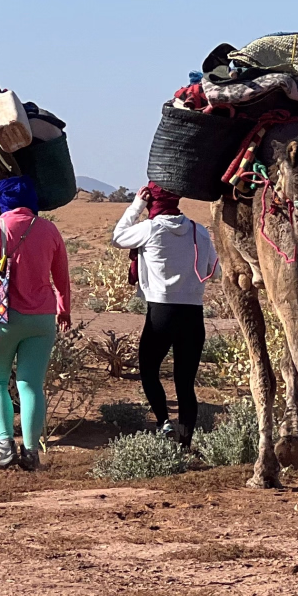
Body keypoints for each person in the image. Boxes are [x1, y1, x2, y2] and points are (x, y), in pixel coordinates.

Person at [111, 183, 220, 445]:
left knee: (149, 370)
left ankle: (163, 422)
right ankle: (185, 443)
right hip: (193, 313)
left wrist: (136, 205)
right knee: (185, 382)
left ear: (152, 202)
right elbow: (215, 272)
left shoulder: (149, 228)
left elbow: (118, 237)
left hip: (161, 311)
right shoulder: (199, 231)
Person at [0, 173, 72, 471]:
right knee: (30, 384)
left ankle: (5, 446)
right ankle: (31, 453)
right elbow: (62, 276)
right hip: (41, 319)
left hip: (2, 318)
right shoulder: (49, 229)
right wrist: (64, 308)